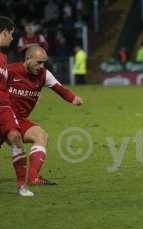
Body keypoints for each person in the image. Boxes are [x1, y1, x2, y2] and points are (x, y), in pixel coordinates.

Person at [8, 45, 83, 185]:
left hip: (20, 121)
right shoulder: (11, 71)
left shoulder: (44, 75)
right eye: (39, 62)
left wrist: (73, 98)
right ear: (28, 59)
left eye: (44, 62)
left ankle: (33, 178)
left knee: (41, 136)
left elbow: (59, 88)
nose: (42, 66)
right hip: (3, 118)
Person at [0, 16, 34, 196]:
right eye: (11, 34)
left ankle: (22, 185)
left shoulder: (3, 57)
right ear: (3, 32)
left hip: (4, 108)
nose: (12, 38)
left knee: (15, 137)